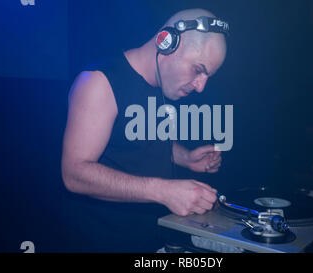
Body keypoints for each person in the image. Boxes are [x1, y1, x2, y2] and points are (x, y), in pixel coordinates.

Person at [60, 9, 228, 252]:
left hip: (148, 240)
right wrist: (163, 191)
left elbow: (138, 140)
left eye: (207, 76)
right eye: (198, 69)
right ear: (167, 43)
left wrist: (186, 158)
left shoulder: (162, 85)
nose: (201, 86)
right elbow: (74, 174)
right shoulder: (98, 82)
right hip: (100, 242)